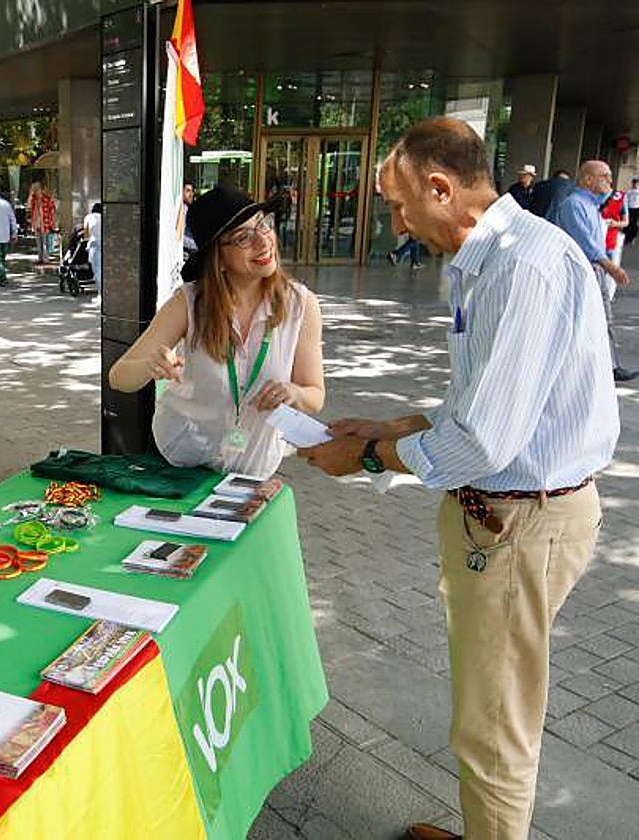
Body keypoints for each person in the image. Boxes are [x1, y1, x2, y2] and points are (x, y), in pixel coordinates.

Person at [298, 116, 618, 840]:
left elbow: (486, 438)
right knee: (489, 705)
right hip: (506, 514)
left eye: (399, 205)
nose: (396, 222)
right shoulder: (497, 258)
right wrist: (396, 427)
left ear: (441, 188)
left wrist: (370, 459)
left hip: (522, 522)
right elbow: (487, 404)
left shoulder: (520, 265)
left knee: (494, 723)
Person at [108, 186, 324, 479]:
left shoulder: (300, 306)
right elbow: (119, 377)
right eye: (242, 237)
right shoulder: (189, 303)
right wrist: (150, 366)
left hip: (253, 469)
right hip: (180, 462)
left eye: (263, 225)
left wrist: (293, 392)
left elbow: (315, 396)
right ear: (217, 257)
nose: (263, 241)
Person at [553, 160, 633, 382]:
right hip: (584, 269)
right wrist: (610, 266)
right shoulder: (574, 204)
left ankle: (609, 366)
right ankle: (599, 367)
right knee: (586, 318)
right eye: (604, 176)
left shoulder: (591, 204)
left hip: (595, 268)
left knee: (602, 318)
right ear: (588, 179)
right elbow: (585, 241)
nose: (609, 181)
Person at [27, 180, 54, 264]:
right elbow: (28, 205)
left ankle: (45, 258)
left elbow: (52, 210)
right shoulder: (34, 200)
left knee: (45, 241)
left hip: (44, 222)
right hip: (36, 223)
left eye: (36, 189)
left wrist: (51, 222)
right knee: (39, 241)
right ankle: (40, 257)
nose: (35, 191)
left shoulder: (46, 198)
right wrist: (30, 195)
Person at [601, 183, 627, 266]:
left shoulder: (620, 197)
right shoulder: (591, 195)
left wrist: (615, 223)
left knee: (609, 269)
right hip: (593, 241)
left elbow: (626, 222)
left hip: (610, 240)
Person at [83, 202, 103, 293]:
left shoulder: (88, 217)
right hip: (104, 243)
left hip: (94, 244)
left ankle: (101, 293)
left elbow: (86, 233)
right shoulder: (103, 217)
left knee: (97, 270)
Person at [625, 177, 639, 244]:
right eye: (634, 183)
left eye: (636, 183)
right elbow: (625, 200)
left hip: (636, 209)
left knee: (635, 224)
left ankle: (632, 238)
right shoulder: (629, 191)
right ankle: (626, 237)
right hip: (629, 208)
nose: (635, 185)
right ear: (632, 184)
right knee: (628, 223)